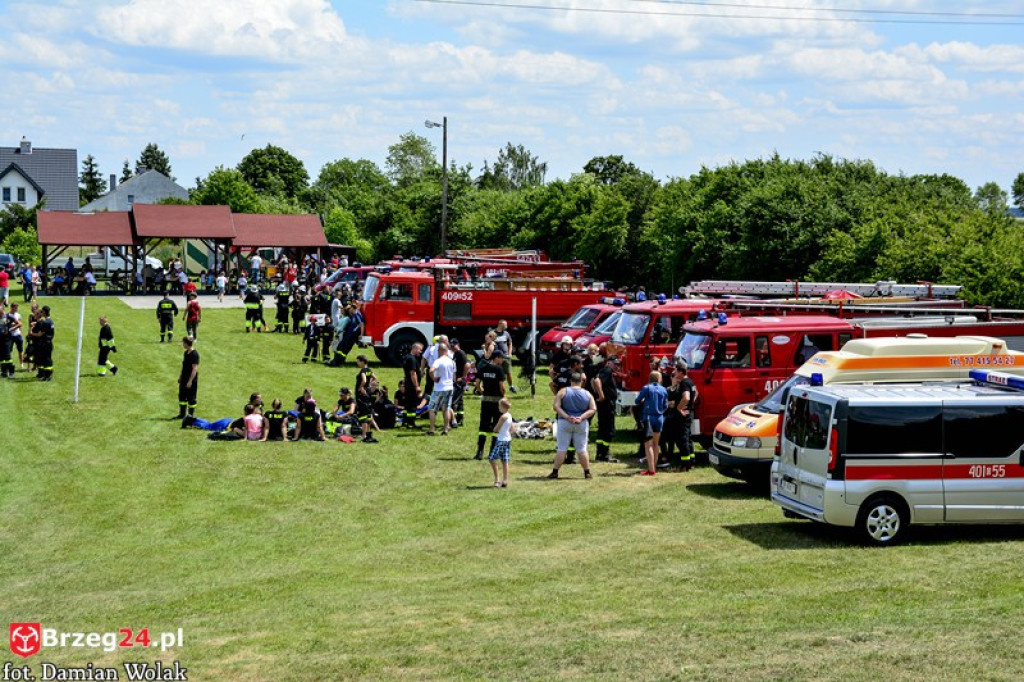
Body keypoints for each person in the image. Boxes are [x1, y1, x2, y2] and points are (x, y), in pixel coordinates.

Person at [549, 372, 596, 479]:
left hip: (564, 422)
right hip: (581, 423)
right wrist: (582, 417)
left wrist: (567, 416)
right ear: (581, 381)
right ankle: (587, 472)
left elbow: (556, 406)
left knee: (562, 448)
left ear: (570, 381)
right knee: (582, 449)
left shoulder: (563, 391)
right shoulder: (587, 394)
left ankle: (555, 472)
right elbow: (593, 409)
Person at [474, 349, 506, 460]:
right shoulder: (499, 369)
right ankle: (492, 452)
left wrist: (482, 391)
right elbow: (502, 387)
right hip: (497, 402)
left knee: (483, 426)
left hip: (486, 401)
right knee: (496, 426)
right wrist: (503, 395)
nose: (502, 360)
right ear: (496, 358)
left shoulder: (483, 368)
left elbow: (477, 383)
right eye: (501, 358)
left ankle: (479, 452)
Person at [635, 371, 668, 476]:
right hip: (659, 418)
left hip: (648, 417)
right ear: (659, 379)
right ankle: (654, 467)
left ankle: (651, 469)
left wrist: (643, 401)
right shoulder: (664, 389)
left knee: (648, 444)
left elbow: (637, 401)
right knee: (656, 444)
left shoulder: (646, 388)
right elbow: (666, 406)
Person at [663, 366, 696, 470]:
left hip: (683, 415)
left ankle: (685, 465)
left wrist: (679, 408)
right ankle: (691, 461)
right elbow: (695, 394)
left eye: (676, 371)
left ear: (681, 372)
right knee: (688, 438)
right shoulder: (690, 381)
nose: (675, 373)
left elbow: (686, 397)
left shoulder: (684, 383)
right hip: (689, 413)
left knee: (683, 439)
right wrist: (690, 406)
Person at [591, 351, 619, 463]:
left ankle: (600, 454)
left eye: (618, 364)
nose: (616, 366)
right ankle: (604, 455)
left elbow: (594, 380)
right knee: (608, 430)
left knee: (602, 429)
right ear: (608, 363)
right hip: (607, 406)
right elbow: (597, 381)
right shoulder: (607, 370)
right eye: (615, 364)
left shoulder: (605, 370)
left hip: (605, 406)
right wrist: (601, 395)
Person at [427, 342, 456, 436]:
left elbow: (431, 370)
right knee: (446, 408)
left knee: (432, 409)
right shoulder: (452, 362)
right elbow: (454, 376)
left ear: (440, 350)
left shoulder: (438, 361)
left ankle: (432, 429)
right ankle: (446, 428)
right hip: (449, 387)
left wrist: (434, 379)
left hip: (439, 388)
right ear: (446, 351)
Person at [488, 398, 516, 488]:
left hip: (501, 440)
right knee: (505, 460)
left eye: (499, 405)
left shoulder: (503, 417)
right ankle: (505, 480)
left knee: (492, 459)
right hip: (508, 439)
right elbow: (513, 429)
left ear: (502, 406)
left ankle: (497, 480)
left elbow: (496, 429)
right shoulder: (509, 415)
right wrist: (507, 433)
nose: (498, 407)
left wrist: (495, 429)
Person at [354, 355, 379, 443]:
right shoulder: (369, 370)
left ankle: (364, 434)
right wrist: (369, 386)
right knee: (367, 413)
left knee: (363, 414)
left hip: (361, 395)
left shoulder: (363, 370)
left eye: (358, 361)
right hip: (367, 393)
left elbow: (364, 380)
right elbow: (375, 379)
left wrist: (361, 387)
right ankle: (367, 433)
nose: (357, 363)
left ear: (362, 361)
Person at [175, 336, 200, 422]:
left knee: (191, 398)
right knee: (182, 396)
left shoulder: (194, 354)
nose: (182, 344)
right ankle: (182, 414)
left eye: (183, 343)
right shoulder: (186, 353)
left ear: (186, 344)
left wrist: (190, 381)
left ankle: (190, 416)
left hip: (191, 380)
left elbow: (195, 369)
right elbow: (184, 366)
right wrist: (180, 376)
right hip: (184, 378)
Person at [31, 305, 55, 381]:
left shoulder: (45, 322)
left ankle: (47, 375)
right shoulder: (51, 321)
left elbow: (39, 334)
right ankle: (46, 374)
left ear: (44, 312)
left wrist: (31, 333)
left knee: (46, 359)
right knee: (47, 358)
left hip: (45, 343)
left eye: (42, 311)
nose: (41, 313)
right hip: (49, 342)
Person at [402, 342, 423, 428]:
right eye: (420, 350)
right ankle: (411, 422)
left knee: (407, 403)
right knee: (412, 404)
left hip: (408, 383)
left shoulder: (407, 357)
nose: (420, 352)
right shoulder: (412, 359)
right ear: (414, 348)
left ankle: (405, 421)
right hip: (412, 385)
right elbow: (413, 373)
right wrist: (417, 386)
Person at [492, 320, 516, 393]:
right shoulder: (492, 333)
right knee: (497, 373)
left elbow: (510, 343)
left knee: (508, 372)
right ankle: (497, 387)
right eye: (505, 325)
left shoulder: (506, 333)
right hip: (497, 357)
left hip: (506, 356)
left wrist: (510, 353)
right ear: (500, 324)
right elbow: (488, 343)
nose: (506, 326)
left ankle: (511, 386)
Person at [450, 338, 469, 427]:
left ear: (458, 345)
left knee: (454, 401)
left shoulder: (461, 353)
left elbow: (467, 365)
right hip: (457, 379)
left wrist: (463, 377)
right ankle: (460, 418)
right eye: (451, 346)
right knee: (460, 400)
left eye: (453, 346)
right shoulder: (455, 353)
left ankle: (453, 420)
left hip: (459, 380)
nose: (452, 347)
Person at [8, 302, 23, 369]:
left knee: (20, 350)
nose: (16, 309)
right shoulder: (8, 315)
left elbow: (20, 325)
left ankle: (21, 364)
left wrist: (21, 333)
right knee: (9, 351)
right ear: (11, 307)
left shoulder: (18, 315)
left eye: (17, 308)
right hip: (10, 336)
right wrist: (14, 325)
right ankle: (9, 364)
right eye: (15, 308)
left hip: (18, 335)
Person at [0, 302, 13, 378]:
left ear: (2, 309)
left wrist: (9, 330)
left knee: (7, 356)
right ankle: (4, 372)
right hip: (0, 339)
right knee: (1, 357)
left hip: (7, 339)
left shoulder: (8, 316)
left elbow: (19, 324)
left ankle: (11, 372)